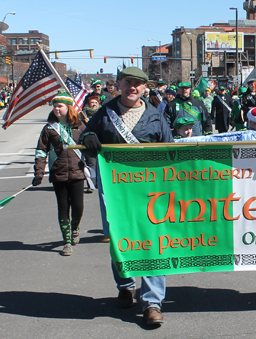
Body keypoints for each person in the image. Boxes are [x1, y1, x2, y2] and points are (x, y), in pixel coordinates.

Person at [80, 67, 173, 326]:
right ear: (119, 85)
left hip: (150, 190)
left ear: (145, 88)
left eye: (138, 84)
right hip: (115, 190)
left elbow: (171, 149)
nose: (133, 87)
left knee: (154, 241)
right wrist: (88, 136)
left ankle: (152, 302)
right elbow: (87, 133)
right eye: (128, 82)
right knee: (119, 239)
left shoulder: (156, 116)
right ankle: (125, 284)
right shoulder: (104, 113)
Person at [32, 91, 87, 256]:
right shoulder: (49, 129)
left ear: (69, 108)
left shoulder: (81, 126)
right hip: (58, 173)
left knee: (78, 207)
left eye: (59, 106)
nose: (56, 109)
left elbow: (90, 148)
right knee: (63, 208)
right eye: (54, 106)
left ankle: (75, 228)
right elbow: (41, 152)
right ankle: (67, 241)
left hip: (77, 173)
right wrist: (38, 173)